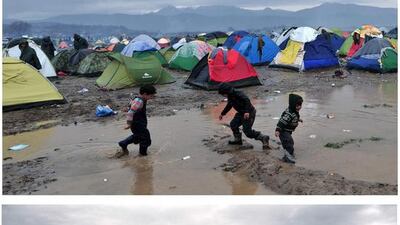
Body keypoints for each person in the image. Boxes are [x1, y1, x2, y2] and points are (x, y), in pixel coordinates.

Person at [218, 83, 270, 149]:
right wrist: (222, 114)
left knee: (247, 132)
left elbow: (247, 100)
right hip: (241, 113)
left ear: (226, 91)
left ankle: (263, 137)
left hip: (249, 113)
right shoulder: (230, 96)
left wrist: (247, 111)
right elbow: (229, 105)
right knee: (233, 124)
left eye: (223, 94)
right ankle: (238, 140)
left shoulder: (238, 93)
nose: (223, 95)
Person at [115, 85, 157, 158]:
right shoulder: (139, 101)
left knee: (138, 137)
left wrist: (127, 109)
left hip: (138, 123)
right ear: (144, 94)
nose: (152, 97)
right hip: (138, 124)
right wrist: (129, 123)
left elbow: (130, 107)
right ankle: (142, 155)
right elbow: (130, 112)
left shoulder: (137, 98)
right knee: (145, 139)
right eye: (151, 96)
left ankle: (123, 143)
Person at [275, 94, 303, 164]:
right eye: (297, 106)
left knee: (287, 143)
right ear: (293, 105)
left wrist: (298, 119)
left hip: (287, 131)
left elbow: (294, 117)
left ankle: (288, 154)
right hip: (283, 131)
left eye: (300, 105)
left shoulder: (294, 111)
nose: (299, 107)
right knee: (289, 142)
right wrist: (278, 130)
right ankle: (287, 158)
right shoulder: (289, 113)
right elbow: (282, 122)